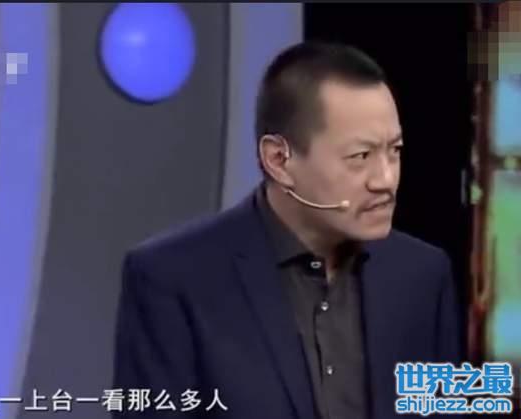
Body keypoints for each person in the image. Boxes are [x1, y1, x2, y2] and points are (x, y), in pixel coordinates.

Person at [112, 41, 463, 419]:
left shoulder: (422, 277)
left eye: (395, 151)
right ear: (279, 160)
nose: (386, 180)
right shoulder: (173, 280)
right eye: (360, 156)